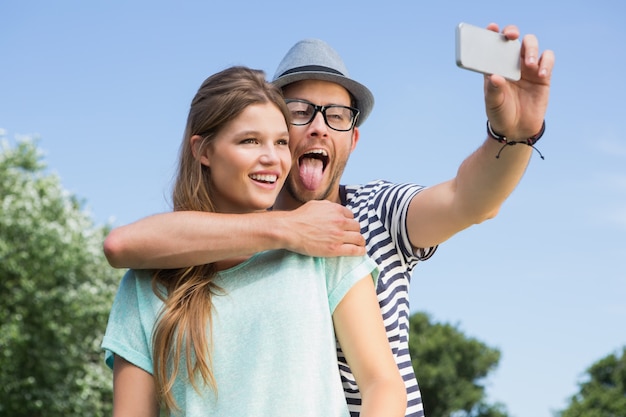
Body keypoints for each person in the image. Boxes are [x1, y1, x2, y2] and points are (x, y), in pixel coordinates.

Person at [103, 23, 555, 417]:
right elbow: (124, 245)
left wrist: (513, 137)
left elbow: (468, 201)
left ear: (353, 138)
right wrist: (285, 227)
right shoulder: (177, 255)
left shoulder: (362, 219)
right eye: (300, 112)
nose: (318, 127)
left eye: (336, 116)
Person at [101, 66, 407, 417]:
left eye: (280, 142)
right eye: (250, 141)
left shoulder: (324, 245)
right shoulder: (145, 284)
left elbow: (383, 384)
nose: (272, 158)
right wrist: (285, 228)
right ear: (203, 151)